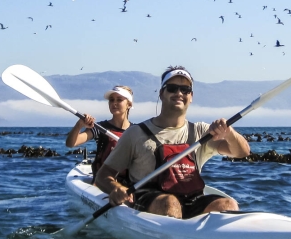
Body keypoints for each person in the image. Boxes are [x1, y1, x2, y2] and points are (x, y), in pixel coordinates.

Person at [95, 66, 250, 219]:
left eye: (185, 89)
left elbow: (242, 152)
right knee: (170, 203)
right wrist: (115, 188)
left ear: (191, 96)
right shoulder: (135, 134)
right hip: (149, 199)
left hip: (192, 201)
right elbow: (103, 176)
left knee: (229, 205)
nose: (179, 93)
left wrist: (229, 133)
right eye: (172, 88)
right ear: (162, 93)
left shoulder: (202, 132)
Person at [65, 86, 133, 180]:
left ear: (129, 104)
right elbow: (71, 143)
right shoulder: (100, 128)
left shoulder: (136, 130)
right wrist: (79, 125)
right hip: (103, 183)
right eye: (111, 100)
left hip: (128, 183)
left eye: (119, 100)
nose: (114, 103)